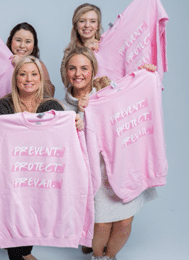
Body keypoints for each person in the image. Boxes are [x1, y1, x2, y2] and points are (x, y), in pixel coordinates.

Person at [0, 56, 82, 260]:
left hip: (43, 181)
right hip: (13, 181)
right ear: (15, 77)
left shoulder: (53, 106)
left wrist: (75, 126)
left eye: (34, 73)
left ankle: (25, 253)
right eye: (23, 73)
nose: (29, 78)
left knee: (32, 222)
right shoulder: (3, 108)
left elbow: (64, 145)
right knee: (17, 235)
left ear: (41, 77)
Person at [61, 46, 157, 260]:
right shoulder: (61, 107)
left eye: (84, 68)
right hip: (93, 174)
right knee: (102, 225)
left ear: (93, 70)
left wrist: (147, 75)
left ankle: (110, 256)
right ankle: (97, 255)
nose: (78, 74)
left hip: (123, 165)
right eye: (72, 68)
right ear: (65, 72)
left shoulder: (109, 91)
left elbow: (140, 98)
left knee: (124, 222)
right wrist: (80, 113)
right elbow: (66, 147)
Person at [0, 22, 55, 121]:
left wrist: (22, 65)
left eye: (28, 41)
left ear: (34, 45)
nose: (22, 45)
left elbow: (48, 93)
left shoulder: (39, 66)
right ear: (11, 41)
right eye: (18, 40)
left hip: (23, 119)